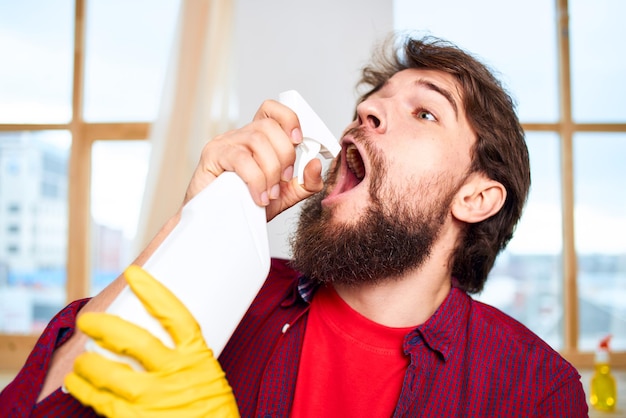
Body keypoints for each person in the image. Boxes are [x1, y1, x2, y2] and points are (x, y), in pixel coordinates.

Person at [0, 34, 588, 417]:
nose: (364, 111)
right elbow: (37, 404)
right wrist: (196, 221)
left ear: (476, 196)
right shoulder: (235, 293)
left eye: (425, 111)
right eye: (373, 100)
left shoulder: (534, 390)